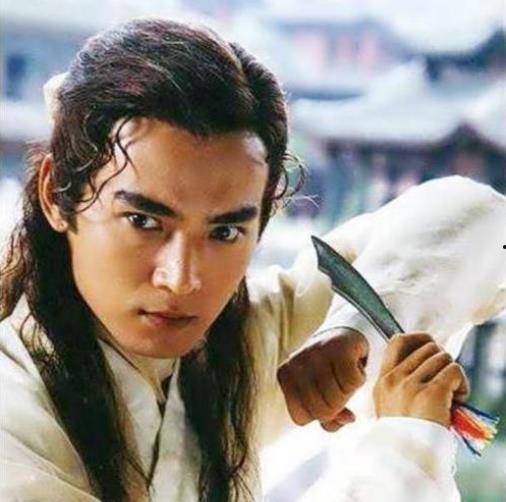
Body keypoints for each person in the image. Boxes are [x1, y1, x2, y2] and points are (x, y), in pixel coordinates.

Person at [0, 18, 504, 502]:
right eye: (143, 221)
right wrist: (404, 452)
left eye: (224, 231)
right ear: (55, 194)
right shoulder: (12, 412)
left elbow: (475, 216)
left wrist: (353, 331)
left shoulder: (233, 345)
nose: (182, 278)